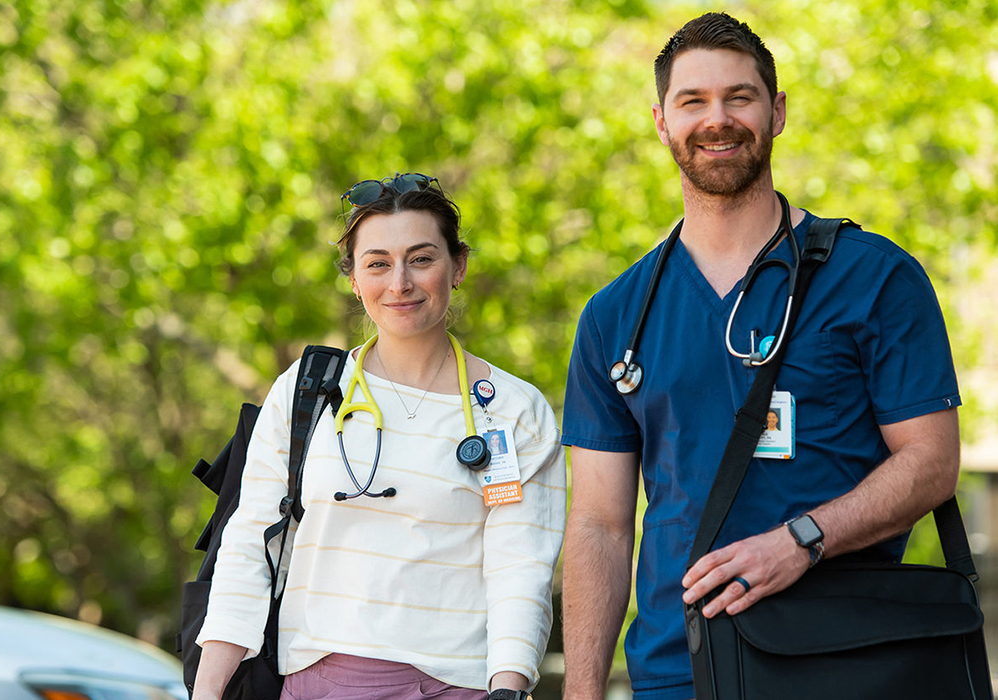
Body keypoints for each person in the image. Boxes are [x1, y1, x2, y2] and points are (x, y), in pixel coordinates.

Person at [560, 13, 960, 700]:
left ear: (775, 112)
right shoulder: (616, 315)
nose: (717, 119)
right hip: (674, 673)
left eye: (739, 97)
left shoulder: (875, 279)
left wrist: (801, 539)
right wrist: (582, 691)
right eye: (693, 101)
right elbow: (600, 522)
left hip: (844, 661)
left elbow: (932, 464)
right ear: (661, 122)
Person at [192, 173, 566, 700]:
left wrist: (508, 689)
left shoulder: (511, 409)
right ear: (353, 278)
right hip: (316, 683)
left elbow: (519, 566)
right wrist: (206, 692)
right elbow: (252, 543)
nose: (400, 284)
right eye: (377, 263)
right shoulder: (306, 391)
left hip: (458, 687)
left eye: (421, 258)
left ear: (457, 266)